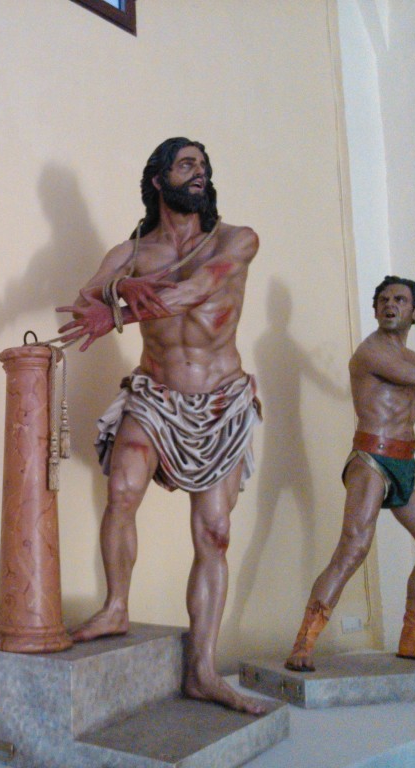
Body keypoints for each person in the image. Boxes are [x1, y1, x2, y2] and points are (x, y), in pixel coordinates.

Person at [57, 137, 266, 714]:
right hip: (155, 394)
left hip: (220, 401)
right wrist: (117, 286)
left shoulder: (236, 240)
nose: (199, 173)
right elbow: (84, 298)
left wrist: (117, 312)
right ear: (158, 180)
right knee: (122, 490)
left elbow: (197, 290)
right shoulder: (130, 252)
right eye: (186, 164)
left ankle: (203, 669)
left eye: (204, 165)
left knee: (214, 532)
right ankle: (115, 607)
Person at [284, 276, 415, 672]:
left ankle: (414, 637)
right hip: (371, 459)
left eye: (400, 300)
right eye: (383, 299)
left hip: (404, 460)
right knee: (353, 549)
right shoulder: (371, 352)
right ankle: (304, 643)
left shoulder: (413, 358)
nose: (390, 305)